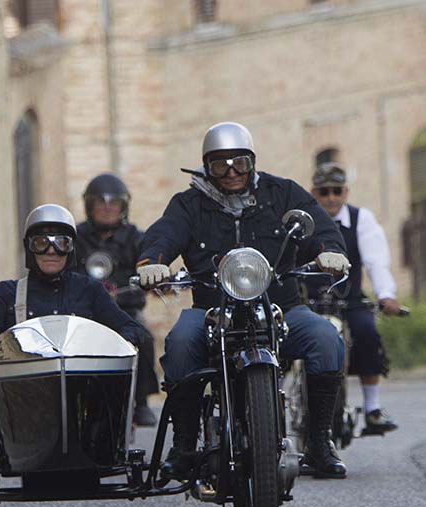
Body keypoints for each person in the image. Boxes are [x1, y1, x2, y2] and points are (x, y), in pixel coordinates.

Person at [137, 122, 352, 479]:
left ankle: (318, 441)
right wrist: (153, 262)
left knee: (326, 338)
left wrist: (330, 252)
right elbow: (165, 233)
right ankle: (185, 444)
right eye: (221, 164)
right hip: (210, 309)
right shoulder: (189, 204)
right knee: (179, 343)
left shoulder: (283, 194)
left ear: (252, 161)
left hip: (280, 305)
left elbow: (321, 227)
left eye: (240, 162)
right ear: (207, 165)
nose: (232, 172)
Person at [0, 203, 149, 358]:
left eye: (61, 243)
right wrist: (7, 353)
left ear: (71, 249)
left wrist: (111, 346)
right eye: (41, 243)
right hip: (24, 392)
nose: (51, 251)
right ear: (29, 248)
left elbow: (131, 329)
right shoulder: (6, 294)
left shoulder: (90, 290)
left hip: (84, 389)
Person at [307, 163, 400, 434]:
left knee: (367, 332)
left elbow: (376, 261)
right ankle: (275, 404)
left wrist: (386, 295)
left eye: (337, 191)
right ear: (314, 193)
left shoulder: (362, 219)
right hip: (310, 302)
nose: (331, 197)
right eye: (324, 192)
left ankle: (372, 408)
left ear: (346, 192)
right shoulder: (303, 221)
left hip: (349, 299)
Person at [72, 173, 160, 427]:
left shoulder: (135, 237)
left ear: (124, 207)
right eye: (100, 201)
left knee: (142, 335)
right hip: (85, 313)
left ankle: (141, 401)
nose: (107, 207)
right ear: (90, 205)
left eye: (114, 202)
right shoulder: (76, 237)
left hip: (124, 311)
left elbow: (149, 265)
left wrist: (153, 276)